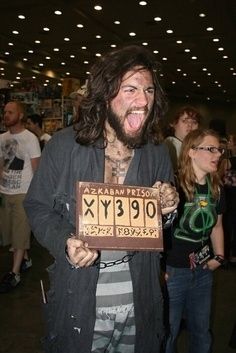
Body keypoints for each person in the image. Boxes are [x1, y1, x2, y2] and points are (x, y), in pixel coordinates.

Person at [24, 45, 179, 353]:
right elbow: (37, 206)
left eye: (148, 90)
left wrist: (169, 207)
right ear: (106, 93)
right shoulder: (65, 145)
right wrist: (65, 241)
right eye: (131, 89)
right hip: (79, 302)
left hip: (140, 303)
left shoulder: (158, 151)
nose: (144, 100)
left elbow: (162, 220)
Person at [164, 128, 225, 353]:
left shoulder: (215, 187)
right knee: (167, 332)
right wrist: (159, 268)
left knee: (201, 331)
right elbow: (155, 230)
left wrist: (219, 255)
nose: (217, 154)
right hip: (172, 272)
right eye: (210, 149)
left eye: (219, 149)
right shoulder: (172, 186)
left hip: (202, 270)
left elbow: (217, 225)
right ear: (191, 152)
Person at [0, 101, 41, 293]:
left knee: (19, 234)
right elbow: (1, 165)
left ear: (21, 115)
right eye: (5, 112)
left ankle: (14, 273)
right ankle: (25, 259)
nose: (6, 115)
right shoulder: (2, 138)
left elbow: (36, 168)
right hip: (5, 192)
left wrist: (36, 195)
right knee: (10, 235)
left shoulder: (30, 138)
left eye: (11, 112)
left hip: (23, 193)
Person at [164, 106, 201, 174]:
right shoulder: (169, 145)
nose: (190, 125)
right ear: (174, 124)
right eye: (185, 121)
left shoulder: (197, 147)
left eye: (194, 122)